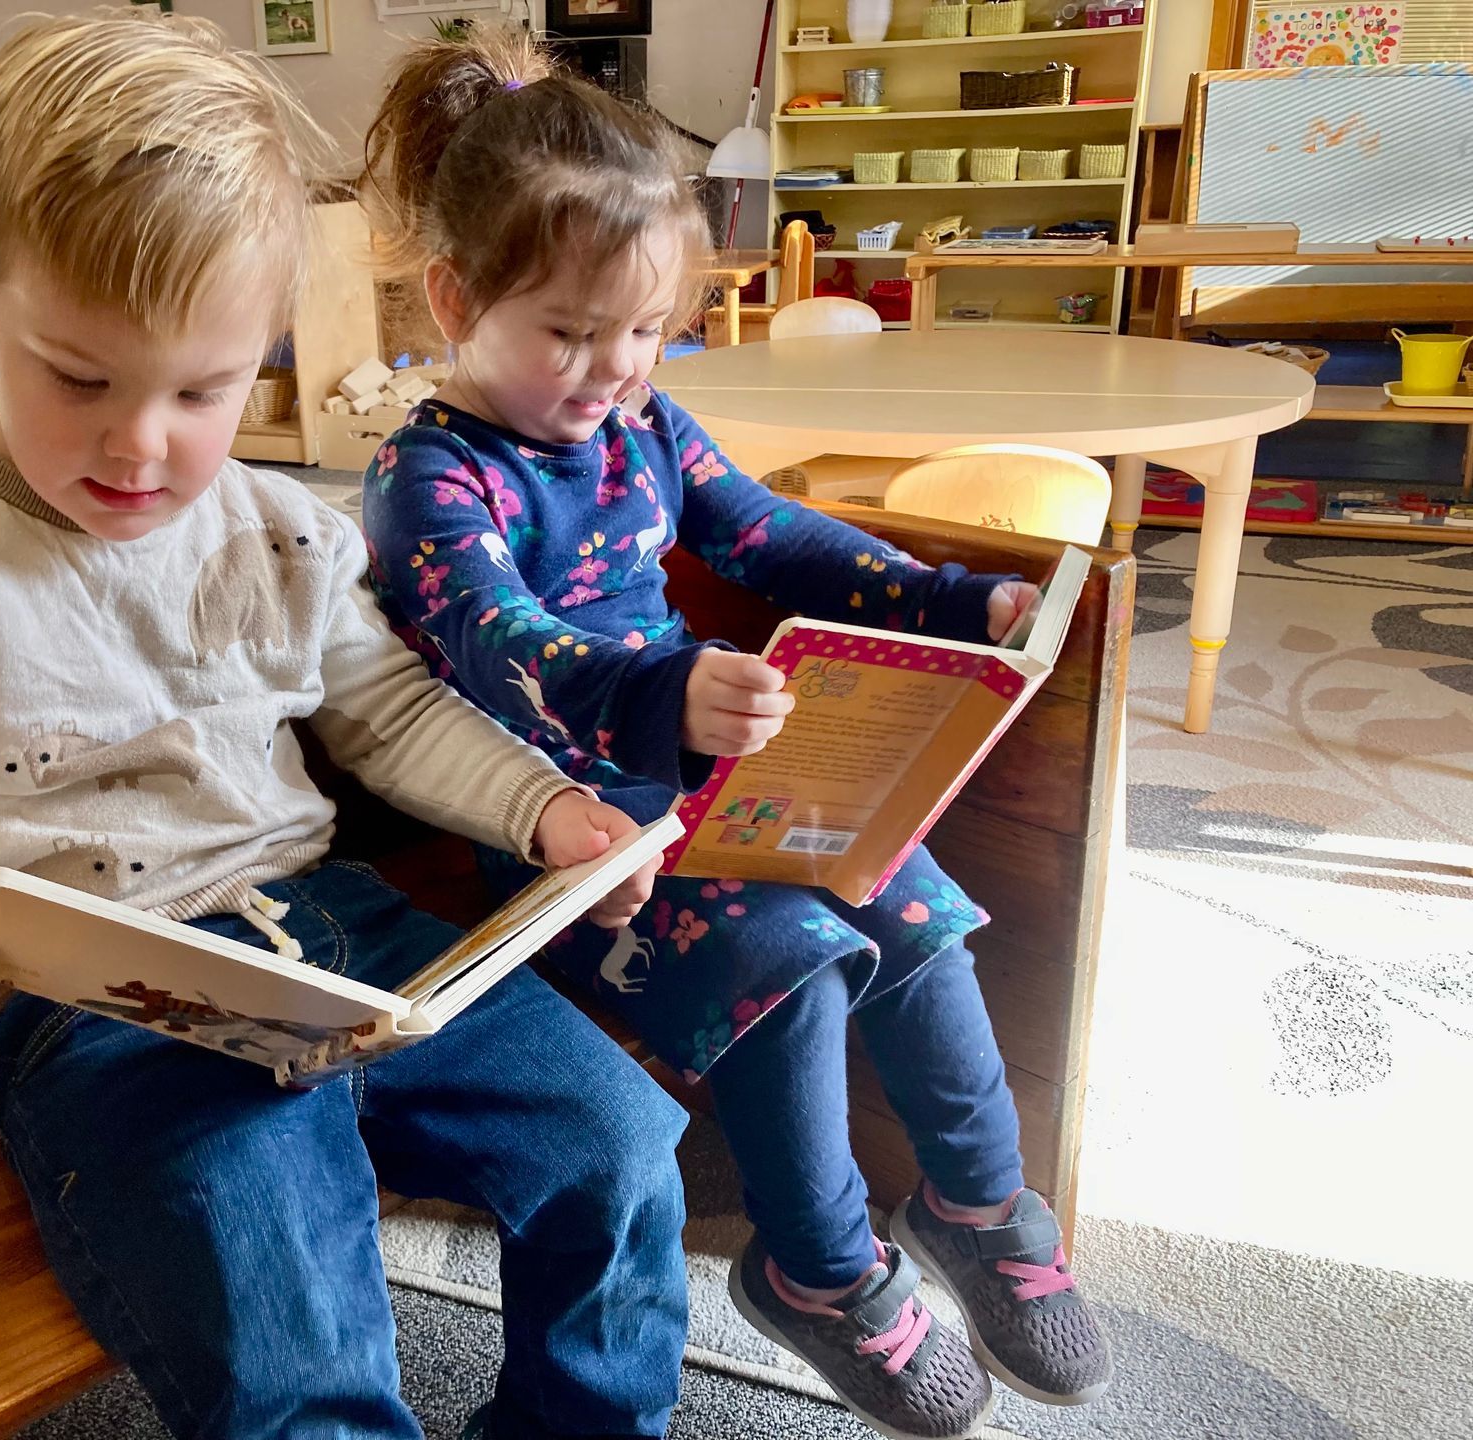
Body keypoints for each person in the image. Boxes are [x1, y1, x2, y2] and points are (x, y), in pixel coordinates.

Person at [0, 14, 687, 1440]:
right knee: (288, 1321)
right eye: (81, 377)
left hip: (343, 942)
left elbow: (395, 712)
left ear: (263, 350)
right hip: (103, 1004)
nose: (141, 443)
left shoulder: (281, 535)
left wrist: (544, 808)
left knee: (620, 1148)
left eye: (203, 390)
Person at [358, 28, 1112, 1440]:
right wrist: (658, 694)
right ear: (456, 299)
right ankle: (819, 1272)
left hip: (727, 775)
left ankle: (977, 1199)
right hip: (574, 838)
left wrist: (957, 597)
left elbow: (768, 536)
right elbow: (491, 637)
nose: (611, 369)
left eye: (644, 331)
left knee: (917, 905)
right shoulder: (430, 472)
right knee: (793, 962)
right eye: (570, 333)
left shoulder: (640, 415)